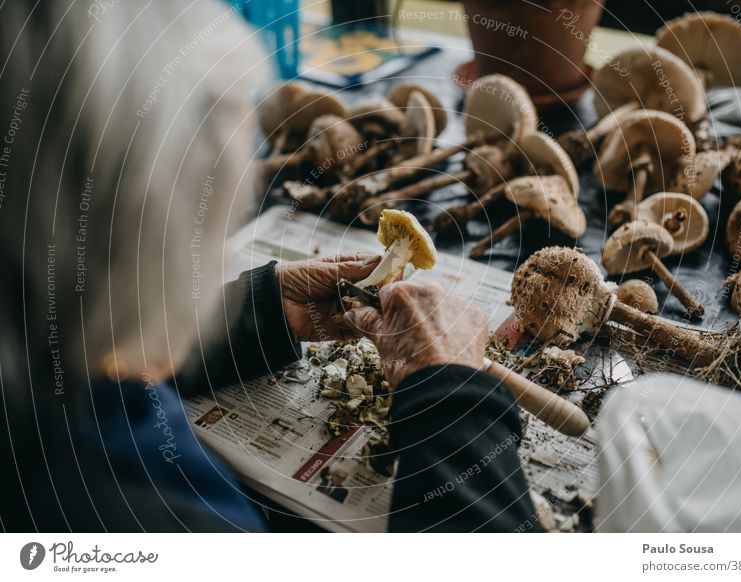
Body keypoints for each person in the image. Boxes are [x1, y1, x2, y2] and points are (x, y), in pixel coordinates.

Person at [0, 1, 536, 532]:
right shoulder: (146, 522)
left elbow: (71, 358)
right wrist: (456, 409)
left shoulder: (34, 376)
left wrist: (257, 314)